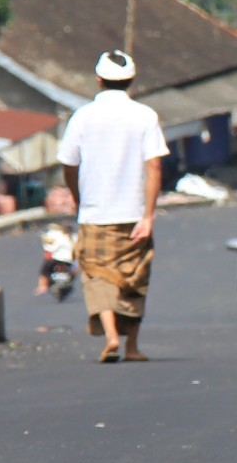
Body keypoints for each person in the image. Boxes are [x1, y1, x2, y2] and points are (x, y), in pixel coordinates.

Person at [57, 49, 169, 363]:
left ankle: (109, 336)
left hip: (95, 212)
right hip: (134, 214)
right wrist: (148, 215)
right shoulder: (145, 115)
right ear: (131, 80)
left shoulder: (82, 117)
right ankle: (131, 346)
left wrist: (78, 197)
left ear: (98, 80)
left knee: (97, 275)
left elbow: (69, 164)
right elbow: (155, 168)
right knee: (134, 278)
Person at [35, 222, 75, 295]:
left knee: (44, 270)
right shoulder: (74, 237)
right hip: (70, 260)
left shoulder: (57, 237)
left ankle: (43, 286)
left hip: (58, 259)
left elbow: (51, 248)